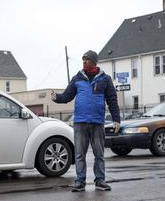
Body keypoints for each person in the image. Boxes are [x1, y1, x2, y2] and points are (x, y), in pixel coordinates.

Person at [51, 50, 121, 192]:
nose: (84, 62)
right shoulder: (77, 78)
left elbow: (112, 100)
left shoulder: (105, 79)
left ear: (94, 62)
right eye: (83, 59)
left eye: (87, 59)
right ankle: (80, 181)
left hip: (97, 122)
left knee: (99, 154)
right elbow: (67, 96)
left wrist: (116, 119)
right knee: (79, 154)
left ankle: (100, 180)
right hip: (80, 122)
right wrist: (57, 98)